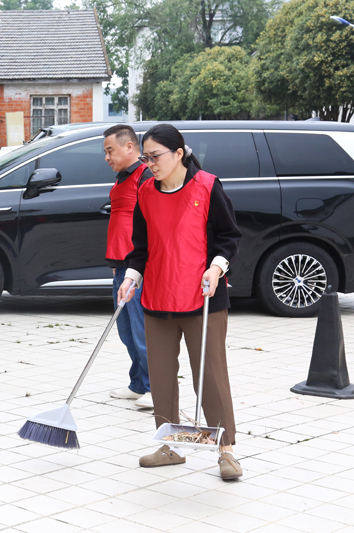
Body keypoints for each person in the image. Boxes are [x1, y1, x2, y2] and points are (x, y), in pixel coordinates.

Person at [118, 124, 244, 480]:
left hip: (202, 298)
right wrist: (131, 277)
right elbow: (141, 246)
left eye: (155, 156)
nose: (150, 164)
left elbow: (230, 237)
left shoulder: (207, 186)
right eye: (145, 158)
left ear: (178, 153)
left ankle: (226, 450)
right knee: (160, 377)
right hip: (158, 297)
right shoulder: (146, 191)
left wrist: (217, 268)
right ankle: (170, 446)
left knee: (211, 376)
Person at [103, 124, 153, 410]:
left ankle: (156, 388)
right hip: (121, 265)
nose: (107, 157)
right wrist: (116, 263)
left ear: (130, 147)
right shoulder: (123, 178)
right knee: (126, 330)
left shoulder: (145, 176)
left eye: (110, 150)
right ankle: (138, 384)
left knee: (141, 329)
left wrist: (138, 265)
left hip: (137, 268)